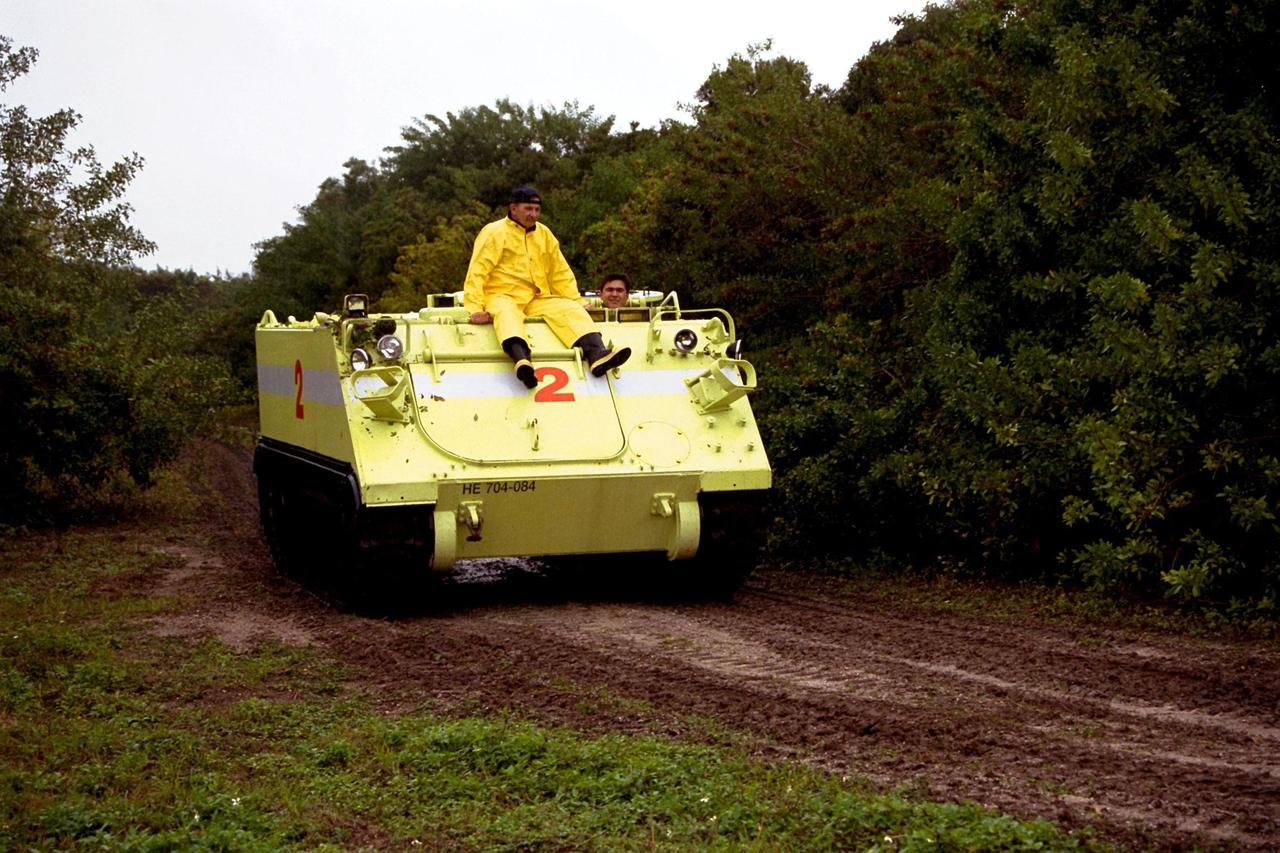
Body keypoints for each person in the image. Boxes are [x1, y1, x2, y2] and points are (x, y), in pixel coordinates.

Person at [463, 186, 630, 388]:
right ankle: (522, 361)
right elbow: (478, 270)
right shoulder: (494, 232)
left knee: (571, 310)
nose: (533, 215)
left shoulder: (545, 234)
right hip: (501, 295)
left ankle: (596, 355)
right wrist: (475, 309)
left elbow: (560, 272)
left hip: (536, 297)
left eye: (536, 210)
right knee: (507, 314)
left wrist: (576, 301)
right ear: (513, 208)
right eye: (528, 209)